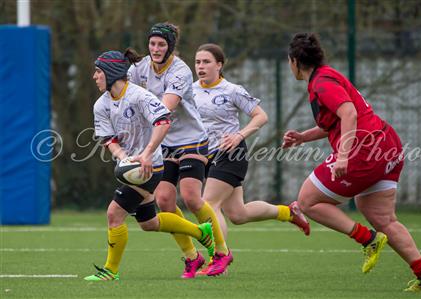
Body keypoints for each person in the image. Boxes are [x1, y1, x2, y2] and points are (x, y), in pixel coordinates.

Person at [283, 33, 421, 292]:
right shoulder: (327, 76)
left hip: (364, 151)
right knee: (382, 217)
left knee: (307, 201)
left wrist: (343, 156)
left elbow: (348, 113)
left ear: (295, 61)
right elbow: (337, 120)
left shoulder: (321, 83)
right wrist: (303, 137)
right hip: (387, 144)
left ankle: (366, 239)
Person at [84, 50, 215, 281]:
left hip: (150, 167)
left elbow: (163, 121)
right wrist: (124, 157)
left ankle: (110, 271)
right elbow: (108, 139)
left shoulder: (139, 96)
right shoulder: (101, 105)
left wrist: (146, 154)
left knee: (114, 214)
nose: (94, 76)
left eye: (98, 71)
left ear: (112, 73)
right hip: (132, 168)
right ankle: (199, 232)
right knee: (149, 223)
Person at [192, 43, 311, 276]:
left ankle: (219, 259)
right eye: (197, 62)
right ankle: (289, 213)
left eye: (206, 62)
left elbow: (261, 116)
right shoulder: (190, 90)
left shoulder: (231, 90)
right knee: (238, 214)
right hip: (205, 156)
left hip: (231, 154)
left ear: (219, 65)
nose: (201, 66)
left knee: (208, 204)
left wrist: (239, 135)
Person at [127, 23, 230, 278]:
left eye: (161, 44)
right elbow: (123, 90)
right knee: (164, 201)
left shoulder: (180, 71)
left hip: (191, 139)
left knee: (192, 197)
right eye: (152, 43)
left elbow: (164, 108)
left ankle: (221, 252)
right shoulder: (139, 68)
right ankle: (192, 257)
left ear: (170, 46)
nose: (156, 48)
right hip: (163, 142)